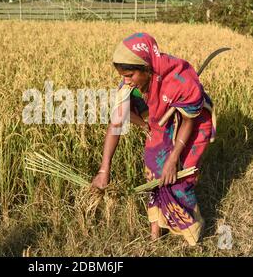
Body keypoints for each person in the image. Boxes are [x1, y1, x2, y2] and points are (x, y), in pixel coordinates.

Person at [91, 32, 216, 246]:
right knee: (153, 172)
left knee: (178, 180)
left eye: (129, 75)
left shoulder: (181, 80)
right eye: (122, 75)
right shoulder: (129, 86)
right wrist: (104, 170)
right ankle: (155, 234)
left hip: (191, 126)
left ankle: (192, 236)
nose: (125, 80)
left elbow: (189, 122)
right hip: (160, 123)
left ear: (147, 69)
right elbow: (116, 124)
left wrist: (173, 158)